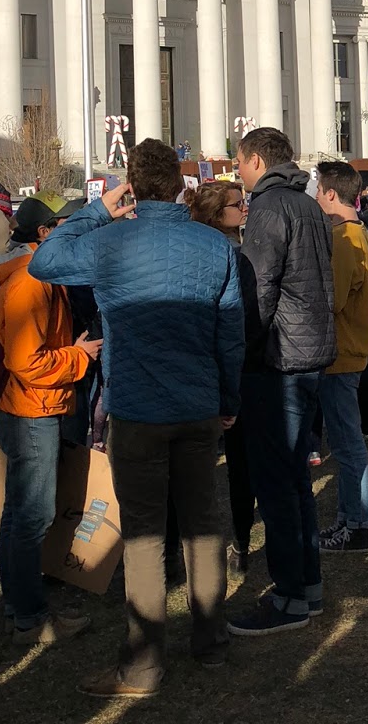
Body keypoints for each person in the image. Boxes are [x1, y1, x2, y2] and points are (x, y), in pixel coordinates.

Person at [30, 141, 244, 693]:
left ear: (132, 181)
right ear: (178, 182)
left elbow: (44, 260)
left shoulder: (110, 240)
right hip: (197, 404)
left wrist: (102, 207)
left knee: (147, 536)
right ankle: (211, 640)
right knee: (202, 524)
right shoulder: (212, 245)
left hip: (139, 409)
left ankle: (145, 663)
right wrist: (228, 399)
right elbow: (230, 334)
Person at [230, 127, 337, 632]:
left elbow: (258, 287)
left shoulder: (272, 206)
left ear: (255, 160)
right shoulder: (308, 204)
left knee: (278, 482)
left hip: (279, 359)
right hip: (307, 350)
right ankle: (305, 586)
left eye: (239, 162)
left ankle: (291, 595)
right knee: (294, 479)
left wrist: (244, 350)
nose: (237, 172)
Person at [0, 198, 103, 647]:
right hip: (30, 408)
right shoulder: (29, 284)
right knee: (31, 515)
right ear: (42, 235)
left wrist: (68, 346)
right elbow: (25, 361)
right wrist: (78, 356)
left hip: (33, 403)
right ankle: (30, 617)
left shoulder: (40, 277)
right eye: (63, 229)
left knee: (19, 512)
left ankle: (21, 609)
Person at [186, 179, 254, 576]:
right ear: (216, 213)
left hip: (217, 370)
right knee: (202, 467)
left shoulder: (236, 250)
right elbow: (232, 325)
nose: (243, 207)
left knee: (233, 465)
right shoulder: (225, 255)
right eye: (236, 203)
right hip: (211, 369)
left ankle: (239, 542)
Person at [314, 159, 368, 554]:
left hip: (342, 351)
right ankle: (349, 519)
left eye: (318, 190)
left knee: (348, 443)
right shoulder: (358, 231)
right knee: (346, 440)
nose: (316, 197)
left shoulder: (344, 237)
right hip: (349, 348)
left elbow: (331, 300)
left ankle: (357, 525)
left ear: (331, 194)